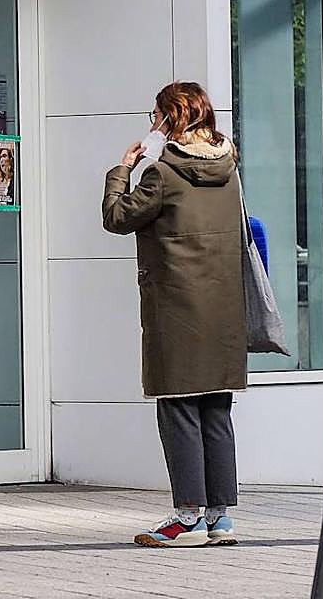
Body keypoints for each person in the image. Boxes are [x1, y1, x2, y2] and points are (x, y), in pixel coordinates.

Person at [101, 81, 247, 548]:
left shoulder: (162, 174)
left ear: (171, 119)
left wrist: (123, 168)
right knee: (216, 411)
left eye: (155, 116)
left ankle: (187, 518)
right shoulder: (230, 168)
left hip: (177, 309)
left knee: (179, 409)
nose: (152, 124)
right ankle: (220, 518)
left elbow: (116, 217)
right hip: (223, 308)